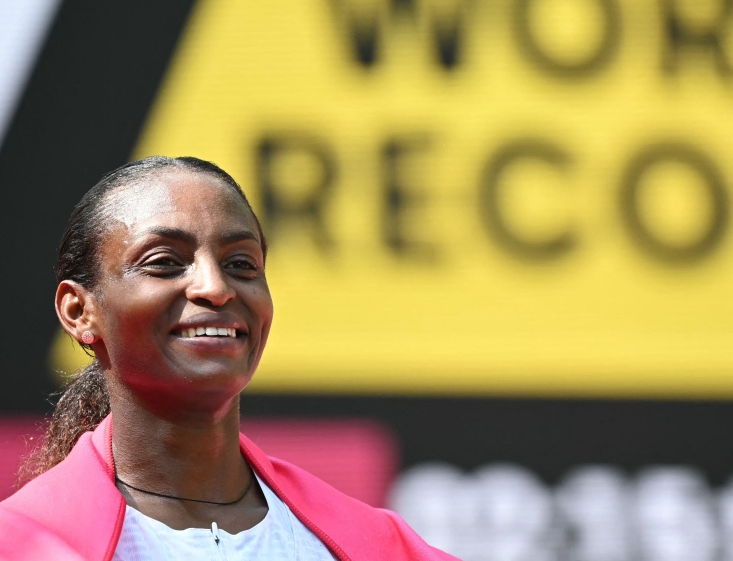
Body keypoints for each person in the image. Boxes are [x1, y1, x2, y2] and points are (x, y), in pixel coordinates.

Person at [0, 156, 458, 561]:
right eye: (164, 261)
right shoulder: (20, 545)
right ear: (79, 311)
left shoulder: (384, 548)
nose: (215, 288)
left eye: (241, 264)